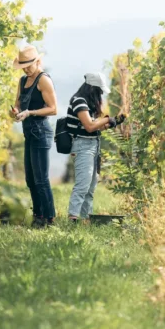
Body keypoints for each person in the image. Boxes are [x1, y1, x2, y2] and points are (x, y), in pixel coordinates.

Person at [66, 73, 125, 223]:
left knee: (91, 187)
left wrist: (113, 123)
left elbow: (95, 129)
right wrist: (106, 119)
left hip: (93, 145)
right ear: (91, 88)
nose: (100, 94)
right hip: (82, 147)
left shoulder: (87, 104)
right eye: (99, 91)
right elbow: (90, 126)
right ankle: (73, 219)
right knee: (83, 185)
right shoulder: (79, 101)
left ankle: (86, 219)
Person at [12, 45, 58, 227]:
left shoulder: (43, 80)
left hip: (41, 132)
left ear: (37, 61)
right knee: (30, 179)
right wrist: (15, 112)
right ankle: (38, 215)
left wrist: (30, 112)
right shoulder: (22, 81)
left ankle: (49, 218)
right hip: (29, 133)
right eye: (23, 65)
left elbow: (53, 109)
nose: (25, 68)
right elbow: (17, 104)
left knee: (41, 178)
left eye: (29, 65)